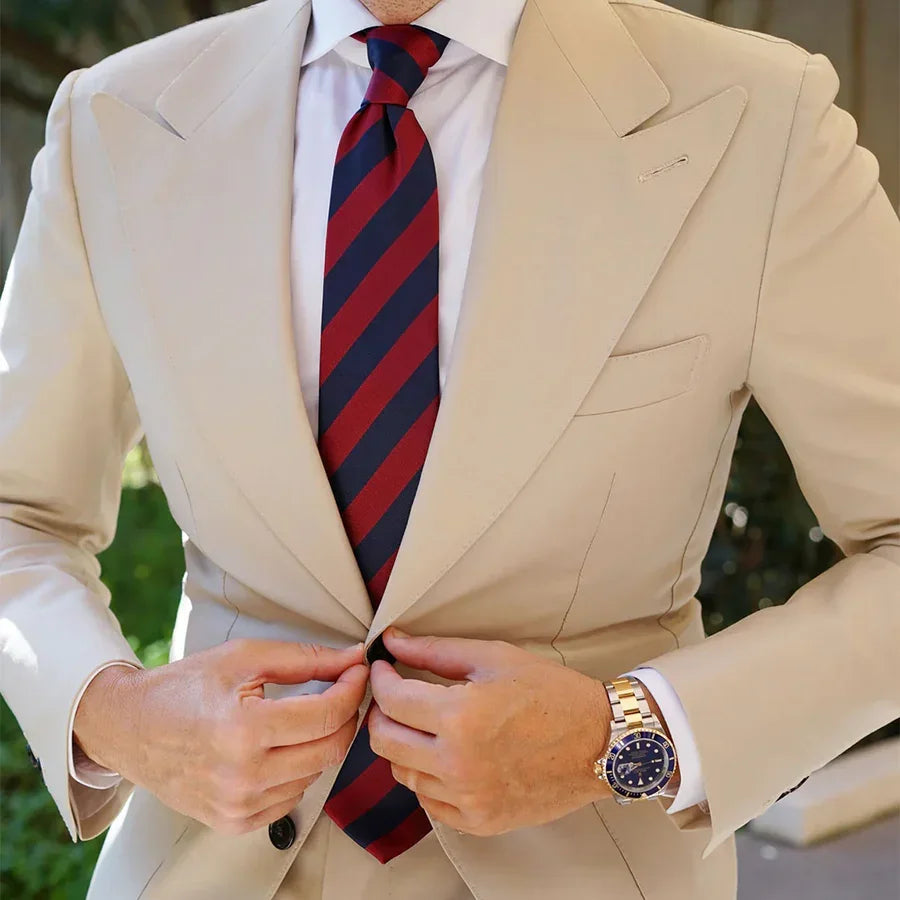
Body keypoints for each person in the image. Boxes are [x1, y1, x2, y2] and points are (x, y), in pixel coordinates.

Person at [1, 0, 898, 897]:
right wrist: (116, 715)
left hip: (582, 865)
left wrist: (624, 736)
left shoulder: (761, 118)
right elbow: (16, 514)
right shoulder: (114, 119)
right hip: (207, 866)